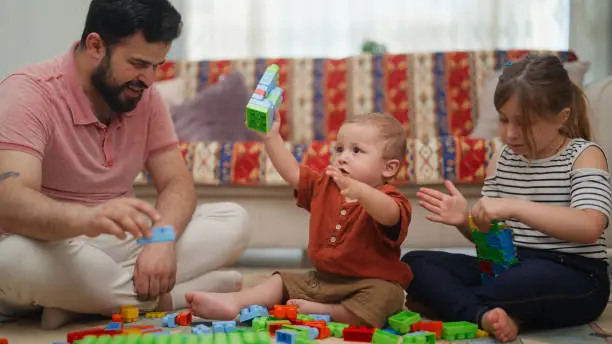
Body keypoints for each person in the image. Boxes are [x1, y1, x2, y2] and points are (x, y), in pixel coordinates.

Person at [0, 0, 249, 330]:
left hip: (119, 245)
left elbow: (176, 182)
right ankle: (168, 298)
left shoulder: (144, 96)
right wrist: (89, 219)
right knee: (10, 259)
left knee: (234, 219)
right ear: (96, 46)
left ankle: (82, 304)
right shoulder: (29, 93)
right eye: (138, 63)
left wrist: (162, 240)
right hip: (51, 245)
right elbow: (9, 199)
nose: (148, 79)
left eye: (157, 65)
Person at [402, 54, 611, 343]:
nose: (511, 134)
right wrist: (466, 221)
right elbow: (488, 243)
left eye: (524, 123)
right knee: (413, 264)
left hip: (574, 274)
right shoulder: (500, 159)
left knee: (526, 281)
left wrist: (514, 206)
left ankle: (452, 303)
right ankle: (486, 315)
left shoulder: (585, 154)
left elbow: (590, 226)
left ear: (561, 117)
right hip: (508, 266)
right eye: (503, 120)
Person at [185, 112, 413, 328]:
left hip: (370, 284)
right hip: (323, 280)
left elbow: (389, 214)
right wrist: (270, 136)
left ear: (388, 167)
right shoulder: (326, 185)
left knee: (388, 297)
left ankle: (327, 311)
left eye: (356, 151)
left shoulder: (389, 199)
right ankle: (236, 301)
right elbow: (293, 172)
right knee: (280, 280)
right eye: (340, 149)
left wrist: (361, 192)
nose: (343, 157)